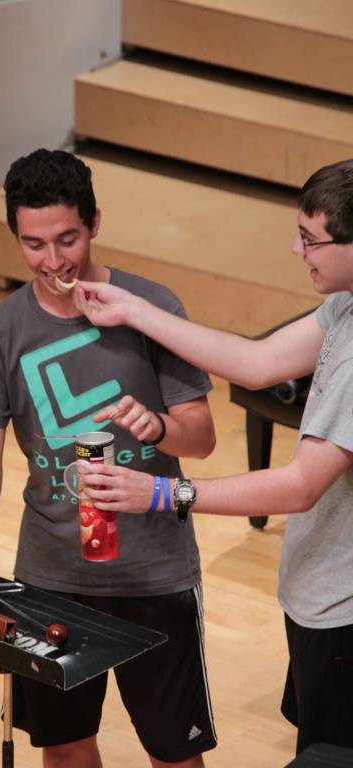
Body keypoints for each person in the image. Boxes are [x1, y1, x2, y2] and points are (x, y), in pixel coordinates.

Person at [73, 158, 353, 757]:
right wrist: (132, 309)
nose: (296, 250)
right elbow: (256, 362)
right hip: (324, 598)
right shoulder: (345, 306)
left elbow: (301, 486)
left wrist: (162, 492)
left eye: (310, 240)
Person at [0, 148, 218, 768]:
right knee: (66, 750)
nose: (53, 261)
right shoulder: (0, 329)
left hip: (154, 574)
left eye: (66, 239)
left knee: (174, 756)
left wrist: (158, 428)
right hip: (49, 577)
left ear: (95, 222)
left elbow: (201, 438)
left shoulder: (151, 306)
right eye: (33, 244)